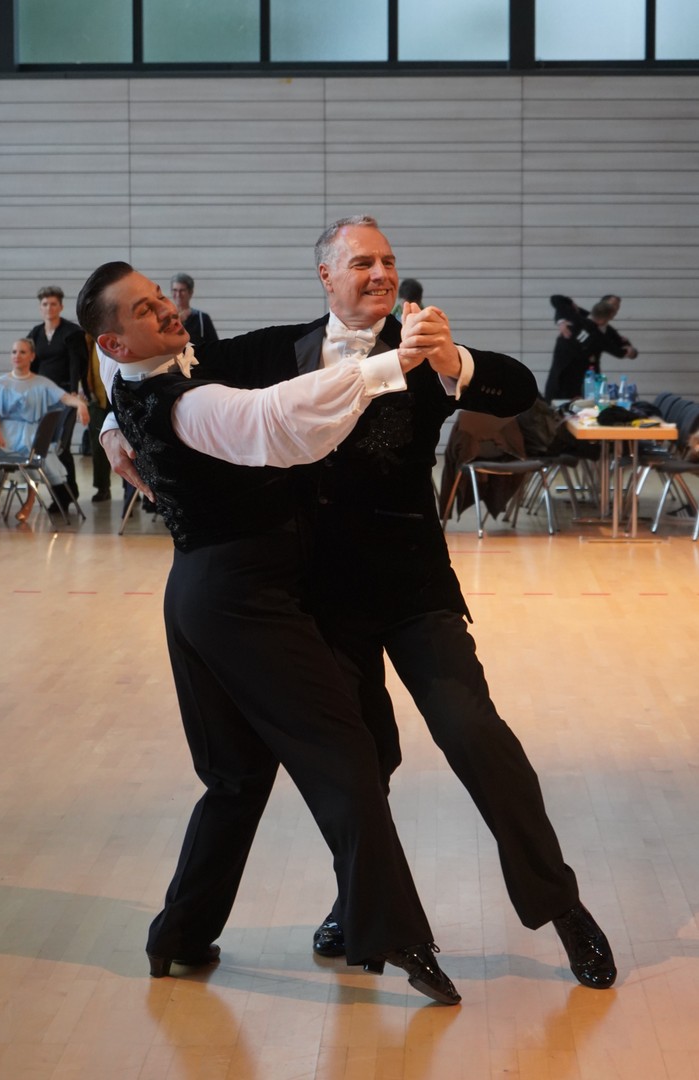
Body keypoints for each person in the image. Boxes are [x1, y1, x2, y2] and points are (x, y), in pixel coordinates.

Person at [99, 216, 618, 991]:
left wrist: (453, 359)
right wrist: (112, 423)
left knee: (473, 734)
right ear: (326, 275)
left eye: (388, 260)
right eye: (362, 262)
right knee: (360, 758)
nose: (380, 273)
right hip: (316, 599)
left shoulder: (420, 348)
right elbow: (153, 369)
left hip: (412, 588)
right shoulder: (271, 351)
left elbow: (517, 389)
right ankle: (356, 904)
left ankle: (560, 905)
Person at [77, 260, 461, 1006]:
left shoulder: (138, 376)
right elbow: (273, 418)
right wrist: (390, 366)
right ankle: (391, 931)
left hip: (197, 595)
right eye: (145, 311)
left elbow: (111, 359)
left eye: (159, 300)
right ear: (116, 343)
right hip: (243, 601)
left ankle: (179, 935)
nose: (166, 312)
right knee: (344, 754)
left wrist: (111, 422)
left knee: (237, 776)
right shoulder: (187, 402)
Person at [0, 338, 88, 521]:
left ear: (32, 356)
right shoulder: (0, 383)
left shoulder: (42, 382)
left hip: (31, 435)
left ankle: (30, 499)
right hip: (5, 433)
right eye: (14, 352)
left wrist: (81, 405)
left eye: (22, 352)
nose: (17, 356)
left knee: (35, 455)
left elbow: (65, 397)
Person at [28, 285, 88, 498]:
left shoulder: (71, 333)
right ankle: (58, 495)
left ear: (61, 307)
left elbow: (76, 364)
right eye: (45, 304)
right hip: (41, 397)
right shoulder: (36, 333)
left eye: (53, 304)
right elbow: (31, 365)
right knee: (44, 446)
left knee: (60, 446)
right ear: (40, 307)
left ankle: (69, 494)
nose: (49, 308)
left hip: (65, 397)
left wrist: (74, 391)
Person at [544, 293, 638, 402]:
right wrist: (561, 321)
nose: (614, 308)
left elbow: (626, 348)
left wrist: (630, 351)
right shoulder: (599, 336)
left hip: (580, 383)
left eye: (616, 306)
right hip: (564, 381)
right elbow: (620, 352)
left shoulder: (574, 318)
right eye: (612, 305)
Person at [83, 334, 113, 502]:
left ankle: (131, 489)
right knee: (98, 444)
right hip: (96, 397)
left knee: (129, 444)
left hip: (121, 395)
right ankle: (102, 487)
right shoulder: (88, 337)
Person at [171, 272, 219, 348]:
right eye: (175, 290)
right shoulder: (164, 318)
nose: (178, 294)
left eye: (182, 290)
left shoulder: (202, 319)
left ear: (190, 292)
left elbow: (215, 346)